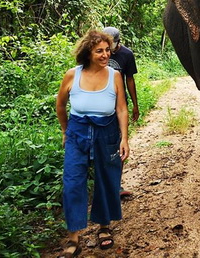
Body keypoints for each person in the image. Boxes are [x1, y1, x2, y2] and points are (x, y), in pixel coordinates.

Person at [56, 30, 129, 258]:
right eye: (99, 51)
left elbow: (121, 109)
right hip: (78, 132)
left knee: (107, 180)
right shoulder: (72, 75)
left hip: (106, 132)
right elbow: (60, 106)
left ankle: (104, 226)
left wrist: (124, 138)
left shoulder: (115, 75)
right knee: (72, 183)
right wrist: (65, 130)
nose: (105, 54)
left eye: (108, 50)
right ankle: (74, 238)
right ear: (88, 53)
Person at [103, 26, 139, 198]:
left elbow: (130, 80)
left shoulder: (126, 55)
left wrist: (135, 104)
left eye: (111, 45)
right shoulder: (97, 52)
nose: (107, 50)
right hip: (99, 105)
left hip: (118, 104)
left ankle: (116, 185)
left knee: (118, 143)